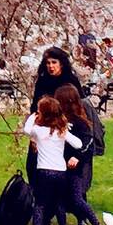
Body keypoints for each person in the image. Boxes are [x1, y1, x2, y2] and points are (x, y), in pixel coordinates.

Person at [21, 97, 84, 225]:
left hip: (44, 171)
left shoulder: (38, 131)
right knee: (59, 202)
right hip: (60, 171)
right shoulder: (61, 131)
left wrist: (32, 116)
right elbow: (78, 144)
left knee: (40, 202)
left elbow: (26, 130)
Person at [54, 84, 106, 225]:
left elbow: (87, 142)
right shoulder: (57, 120)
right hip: (59, 165)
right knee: (59, 199)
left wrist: (77, 156)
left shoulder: (80, 122)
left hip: (75, 167)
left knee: (76, 198)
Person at [27, 47, 83, 184]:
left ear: (61, 63)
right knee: (34, 165)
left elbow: (78, 106)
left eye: (54, 62)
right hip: (42, 126)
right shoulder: (42, 81)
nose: (51, 66)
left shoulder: (70, 80)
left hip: (64, 127)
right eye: (48, 63)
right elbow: (35, 106)